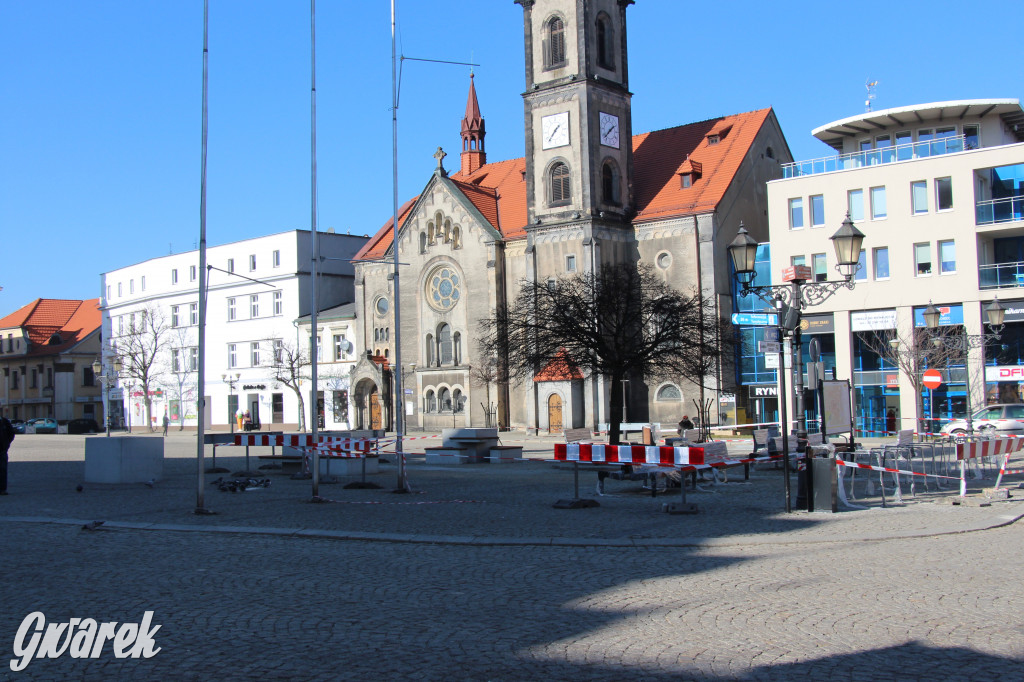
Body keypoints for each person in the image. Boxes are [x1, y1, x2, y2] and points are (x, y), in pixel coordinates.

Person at [0, 414, 15, 495]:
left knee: (2, 470)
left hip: (2, 450)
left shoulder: (4, 421)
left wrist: (6, 444)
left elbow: (11, 434)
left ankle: (2, 489)